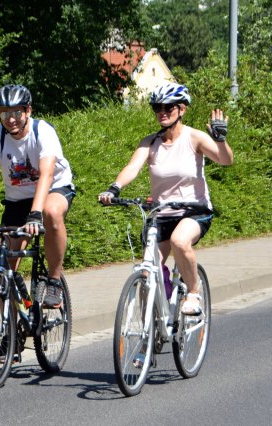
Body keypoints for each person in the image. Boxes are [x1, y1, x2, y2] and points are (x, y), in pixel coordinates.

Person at [98, 82, 233, 315]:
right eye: (157, 107)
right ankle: (151, 330)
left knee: (180, 242)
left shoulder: (195, 138)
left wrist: (220, 140)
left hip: (193, 210)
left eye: (168, 107)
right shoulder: (150, 142)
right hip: (161, 212)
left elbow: (225, 160)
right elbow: (132, 167)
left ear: (182, 109)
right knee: (147, 270)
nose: (162, 112)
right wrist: (114, 188)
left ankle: (193, 292)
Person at [0, 84, 76, 308]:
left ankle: (54, 280)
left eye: (16, 112)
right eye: (4, 112)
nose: (10, 119)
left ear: (28, 111)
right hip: (17, 200)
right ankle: (10, 336)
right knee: (4, 274)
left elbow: (47, 174)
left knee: (51, 212)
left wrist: (35, 214)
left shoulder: (43, 132)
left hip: (53, 189)